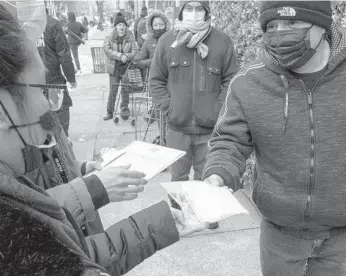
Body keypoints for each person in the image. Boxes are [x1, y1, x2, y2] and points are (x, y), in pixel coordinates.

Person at [0, 2, 207, 275]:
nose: (49, 108)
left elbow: (71, 252)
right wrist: (92, 189)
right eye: (41, 90)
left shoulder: (11, 181)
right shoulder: (6, 228)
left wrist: (161, 224)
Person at [202, 1, 346, 275]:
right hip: (279, 234)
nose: (280, 33)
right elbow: (229, 142)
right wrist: (217, 174)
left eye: (291, 23)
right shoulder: (250, 83)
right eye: (271, 26)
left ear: (322, 24)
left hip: (341, 237)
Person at [149, 1, 239, 182]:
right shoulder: (167, 41)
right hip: (177, 130)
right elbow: (156, 79)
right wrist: (170, 108)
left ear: (206, 13)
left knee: (206, 182)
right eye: (189, 8)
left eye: (199, 8)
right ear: (182, 11)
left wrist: (218, 108)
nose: (194, 13)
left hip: (209, 131)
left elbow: (232, 80)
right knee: (178, 180)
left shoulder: (222, 41)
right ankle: (177, 211)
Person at [36, 8, 76, 137]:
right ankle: (62, 143)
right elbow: (63, 53)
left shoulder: (24, 25)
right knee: (60, 109)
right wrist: (71, 78)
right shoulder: (52, 23)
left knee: (38, 113)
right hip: (53, 78)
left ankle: (47, 142)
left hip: (32, 80)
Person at [135, 10, 171, 145]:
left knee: (170, 111)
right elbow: (139, 60)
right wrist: (154, 61)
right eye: (156, 25)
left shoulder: (171, 39)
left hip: (172, 81)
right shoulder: (149, 41)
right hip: (155, 82)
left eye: (161, 24)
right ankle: (162, 136)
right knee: (158, 110)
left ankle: (168, 136)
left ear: (166, 25)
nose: (159, 28)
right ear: (151, 26)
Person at [103, 12, 137, 121]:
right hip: (114, 67)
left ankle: (124, 109)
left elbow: (134, 51)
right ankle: (109, 111)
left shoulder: (130, 36)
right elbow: (107, 50)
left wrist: (126, 56)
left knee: (125, 89)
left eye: (123, 25)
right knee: (113, 90)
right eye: (119, 25)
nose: (121, 27)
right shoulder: (109, 37)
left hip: (126, 66)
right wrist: (120, 56)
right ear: (115, 26)